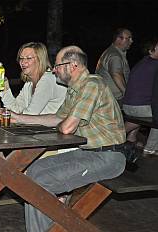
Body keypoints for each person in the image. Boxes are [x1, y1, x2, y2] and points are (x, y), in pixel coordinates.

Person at [12, 46, 126, 232]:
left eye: (57, 65)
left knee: (41, 183)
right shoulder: (75, 89)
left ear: (73, 65)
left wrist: (63, 122)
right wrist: (18, 117)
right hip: (88, 153)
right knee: (32, 172)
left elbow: (66, 127)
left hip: (108, 157)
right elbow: (56, 118)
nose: (54, 69)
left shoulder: (92, 85)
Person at [0, 42, 66, 115]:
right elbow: (16, 108)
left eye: (28, 58)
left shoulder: (48, 79)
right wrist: (4, 86)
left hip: (56, 125)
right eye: (21, 58)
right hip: (39, 125)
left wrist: (7, 114)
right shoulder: (29, 84)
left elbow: (30, 114)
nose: (23, 62)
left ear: (40, 60)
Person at [122, 38, 158, 155]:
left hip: (127, 105)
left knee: (136, 120)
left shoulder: (142, 62)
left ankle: (112, 137)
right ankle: (150, 149)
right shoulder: (155, 65)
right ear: (152, 50)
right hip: (140, 108)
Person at [95, 28, 133, 105]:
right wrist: (128, 96)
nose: (131, 41)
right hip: (114, 100)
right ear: (118, 39)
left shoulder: (112, 52)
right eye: (128, 38)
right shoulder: (114, 56)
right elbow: (116, 75)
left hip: (108, 98)